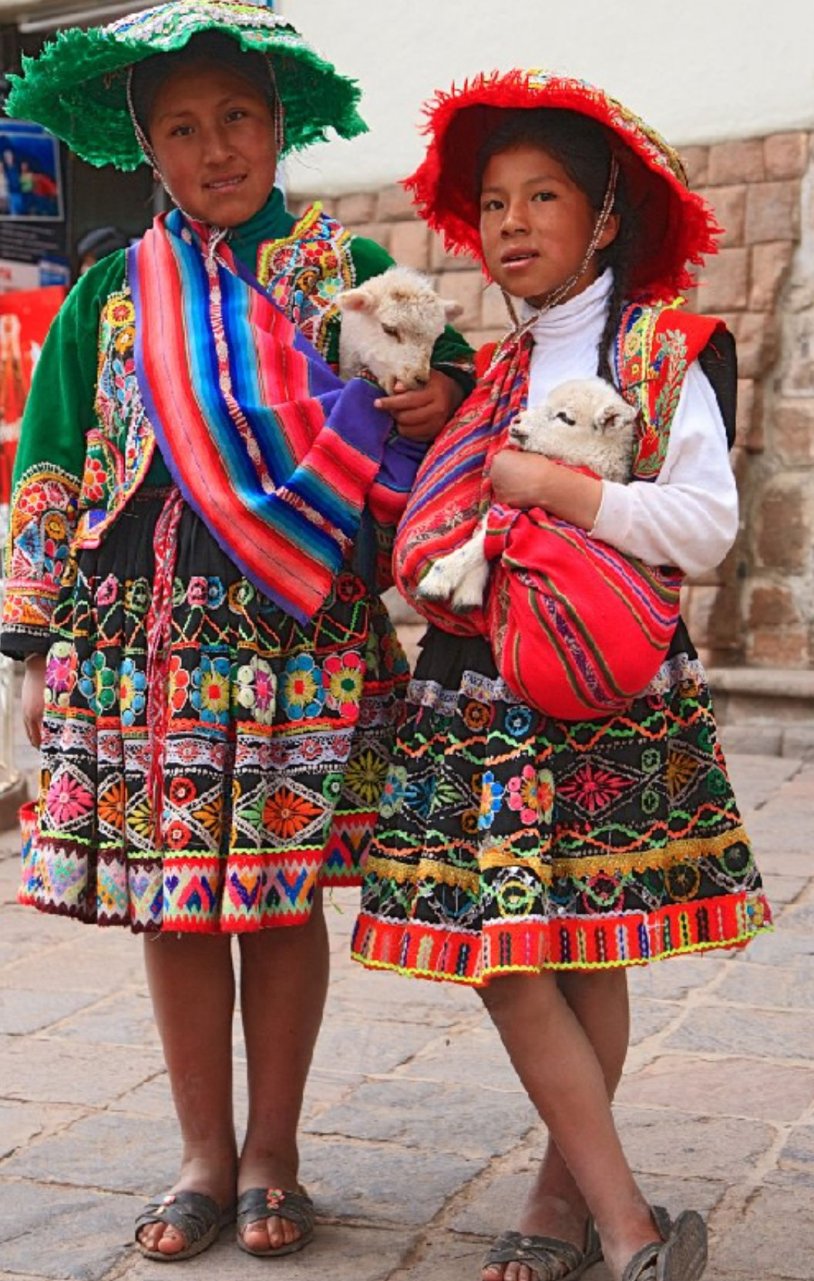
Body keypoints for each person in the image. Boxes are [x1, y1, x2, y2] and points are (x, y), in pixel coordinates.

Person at [1, 0, 472, 1263]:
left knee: (269, 899)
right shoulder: (110, 290)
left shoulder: (349, 277)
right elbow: (53, 461)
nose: (216, 150)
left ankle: (273, 1155)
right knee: (172, 901)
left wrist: (435, 399)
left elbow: (459, 400)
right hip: (133, 637)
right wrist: (37, 645)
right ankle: (202, 1155)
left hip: (293, 636)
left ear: (279, 125)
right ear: (146, 148)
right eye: (183, 129)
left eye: (239, 120)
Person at [351, 69, 772, 1281]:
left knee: (582, 943)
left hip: (606, 688)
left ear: (601, 221)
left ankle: (573, 1204)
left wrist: (563, 492)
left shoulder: (666, 351)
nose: (513, 224)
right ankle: (623, 1219)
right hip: (478, 691)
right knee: (505, 952)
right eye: (493, 203)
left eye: (544, 198)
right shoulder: (482, 374)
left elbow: (702, 526)